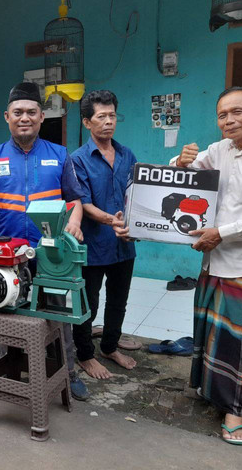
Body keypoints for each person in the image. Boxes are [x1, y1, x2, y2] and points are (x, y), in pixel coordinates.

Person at [116, 86, 242, 445]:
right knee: (208, 331)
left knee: (239, 340)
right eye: (222, 115)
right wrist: (181, 161)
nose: (229, 120)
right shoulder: (219, 151)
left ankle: (235, 412)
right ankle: (209, 390)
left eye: (237, 112)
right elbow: (182, 173)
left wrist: (222, 232)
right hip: (213, 260)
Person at [0, 82, 90, 401]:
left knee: (57, 315)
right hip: (7, 256)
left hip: (49, 253)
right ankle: (13, 368)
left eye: (31, 112)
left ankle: (67, 372)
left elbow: (74, 199)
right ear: (7, 117)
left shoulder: (59, 155)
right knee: (5, 313)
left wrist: (74, 222)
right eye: (18, 112)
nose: (24, 118)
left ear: (41, 117)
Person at [70, 90, 138, 380]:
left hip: (124, 244)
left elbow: (138, 194)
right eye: (101, 117)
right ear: (87, 122)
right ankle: (85, 354)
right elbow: (82, 203)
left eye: (112, 116)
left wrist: (138, 223)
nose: (108, 122)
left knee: (119, 300)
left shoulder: (127, 154)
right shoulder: (78, 160)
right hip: (94, 245)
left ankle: (110, 346)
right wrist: (114, 220)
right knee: (89, 303)